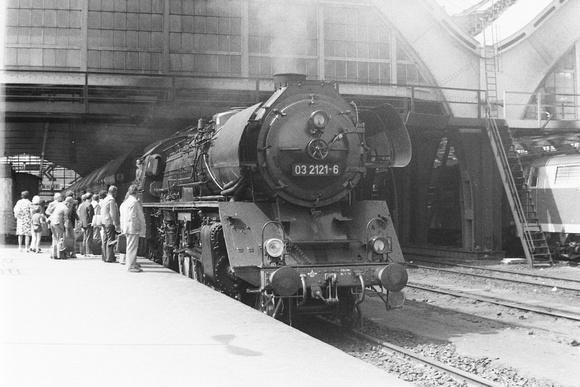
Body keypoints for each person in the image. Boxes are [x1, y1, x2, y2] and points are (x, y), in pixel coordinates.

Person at [120, 185, 146, 272]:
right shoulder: (134, 202)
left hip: (128, 227)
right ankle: (131, 266)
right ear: (136, 193)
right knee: (132, 247)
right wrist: (138, 226)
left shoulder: (127, 202)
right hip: (132, 228)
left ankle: (132, 264)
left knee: (131, 246)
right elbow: (133, 216)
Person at [101, 185, 120, 263]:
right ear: (114, 192)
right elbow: (112, 212)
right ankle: (110, 257)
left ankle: (105, 257)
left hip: (104, 221)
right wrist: (115, 223)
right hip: (109, 222)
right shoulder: (111, 200)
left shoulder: (105, 199)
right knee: (110, 239)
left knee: (105, 239)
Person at [48, 194, 66, 259]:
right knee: (57, 238)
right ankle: (58, 254)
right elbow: (47, 211)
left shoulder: (62, 203)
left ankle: (54, 254)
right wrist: (53, 214)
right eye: (60, 196)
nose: (61, 197)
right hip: (56, 222)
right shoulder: (52, 204)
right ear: (56, 198)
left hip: (54, 222)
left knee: (56, 238)